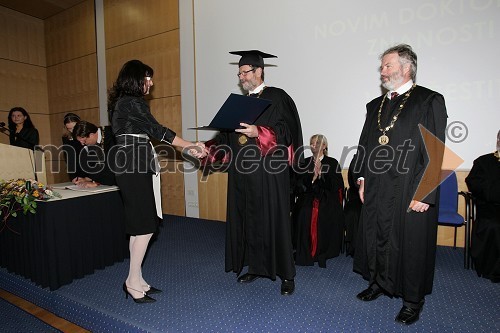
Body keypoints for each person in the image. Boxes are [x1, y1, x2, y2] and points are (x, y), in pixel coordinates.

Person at [353, 44, 447, 325]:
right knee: (377, 235)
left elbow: (436, 149)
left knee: (411, 244)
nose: (382, 72)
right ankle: (379, 283)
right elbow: (364, 145)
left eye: (387, 66)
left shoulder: (428, 100)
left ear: (406, 68)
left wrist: (425, 192)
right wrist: (361, 178)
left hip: (410, 186)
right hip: (378, 186)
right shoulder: (375, 105)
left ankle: (412, 300)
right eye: (382, 67)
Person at [204, 50, 303, 295]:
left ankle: (287, 275)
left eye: (245, 72)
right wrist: (205, 150)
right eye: (239, 73)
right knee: (248, 220)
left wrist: (259, 132)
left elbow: (287, 133)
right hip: (242, 174)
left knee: (275, 221)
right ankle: (256, 267)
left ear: (259, 71)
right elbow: (225, 138)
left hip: (269, 173)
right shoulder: (239, 104)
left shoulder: (277, 97)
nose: (241, 77)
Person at [108, 59, 206, 303]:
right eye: (147, 77)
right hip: (134, 161)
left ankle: (137, 279)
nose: (151, 83)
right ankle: (132, 281)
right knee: (144, 225)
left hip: (133, 160)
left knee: (139, 225)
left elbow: (151, 132)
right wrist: (190, 145)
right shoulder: (132, 101)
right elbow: (158, 131)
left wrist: (187, 147)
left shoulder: (123, 102)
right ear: (135, 79)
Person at [292, 134, 344, 267]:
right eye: (312, 143)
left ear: (324, 146)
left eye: (317, 142)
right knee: (305, 211)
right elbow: (298, 186)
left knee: (322, 212)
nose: (313, 145)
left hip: (327, 197)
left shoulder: (332, 162)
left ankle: (323, 249)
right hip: (308, 196)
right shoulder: (304, 162)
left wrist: (322, 174)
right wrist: (313, 178)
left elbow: (336, 185)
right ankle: (305, 248)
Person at [465, 130, 500, 283]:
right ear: (498, 141)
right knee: (495, 225)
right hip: (490, 206)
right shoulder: (483, 161)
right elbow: (474, 183)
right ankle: (493, 270)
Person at [72, 120, 116, 188]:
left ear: (91, 135)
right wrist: (88, 178)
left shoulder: (112, 136)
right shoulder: (94, 141)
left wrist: (96, 182)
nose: (83, 144)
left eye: (84, 141)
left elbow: (111, 165)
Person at [343, 153, 363, 257]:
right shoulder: (357, 159)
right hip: (357, 196)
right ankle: (354, 248)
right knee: (352, 213)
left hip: (376, 197)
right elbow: (352, 181)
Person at [61, 113, 83, 181]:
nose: (72, 131)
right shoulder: (66, 137)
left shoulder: (85, 134)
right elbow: (68, 158)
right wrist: (73, 176)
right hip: (75, 171)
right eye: (69, 129)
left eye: (74, 128)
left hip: (89, 170)